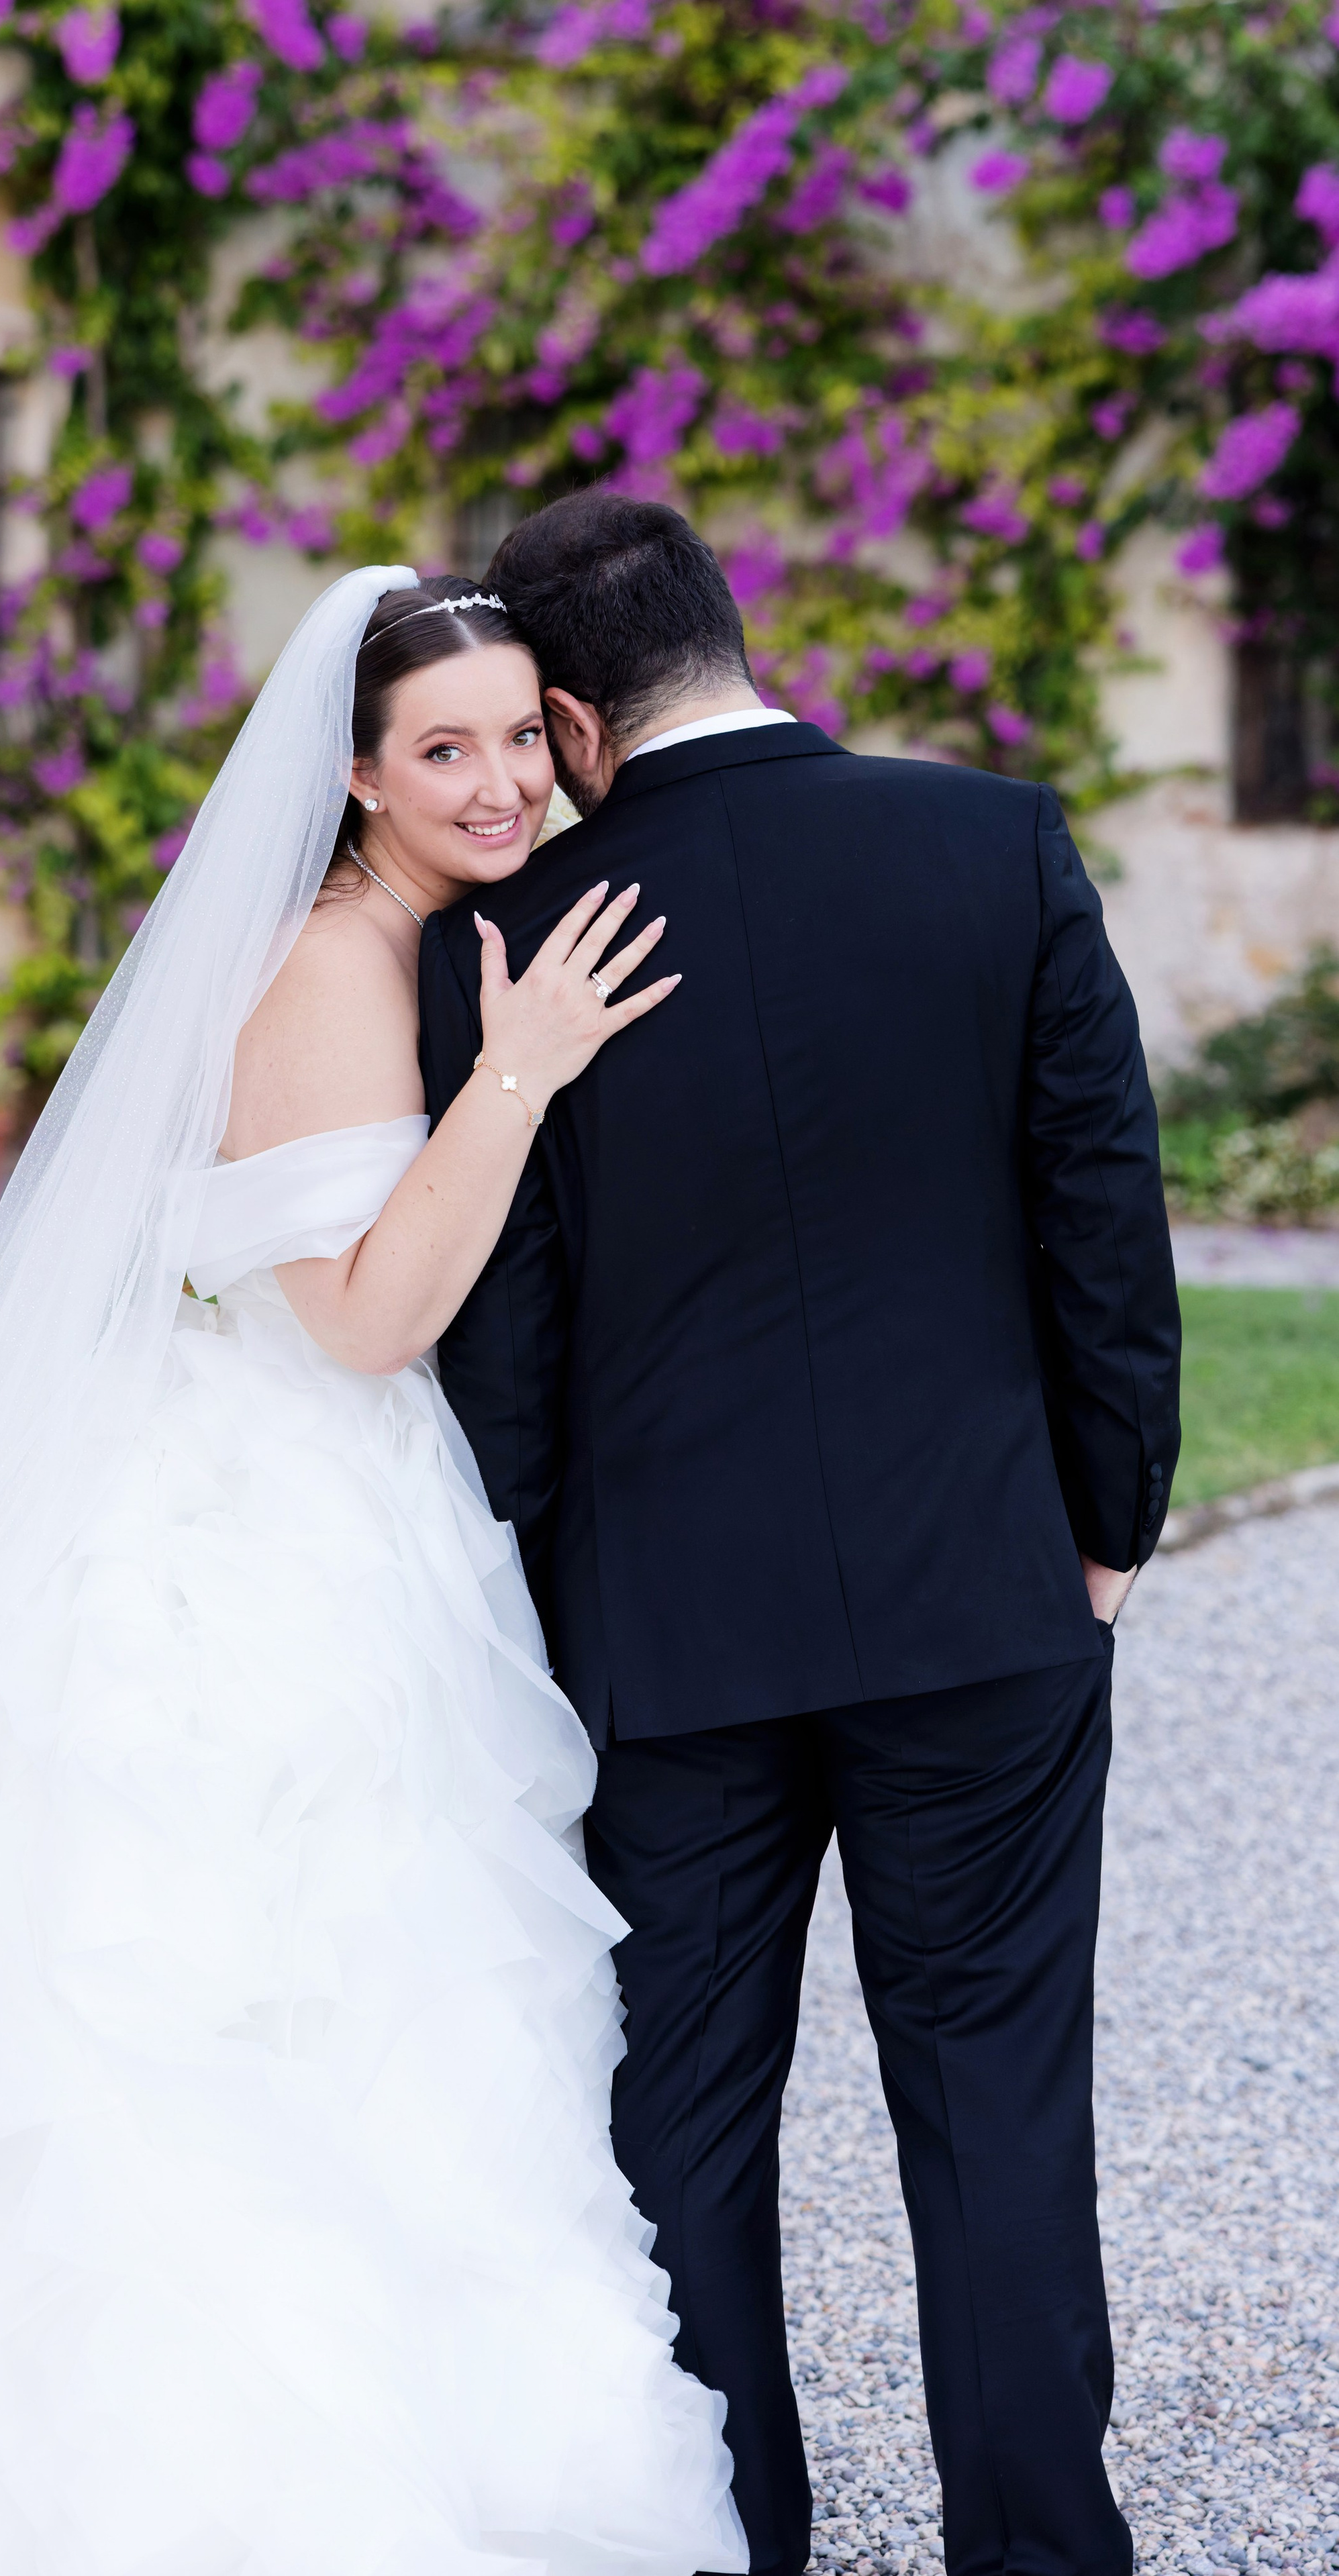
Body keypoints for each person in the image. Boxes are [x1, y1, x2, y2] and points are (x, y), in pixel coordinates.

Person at [0, 569, 748, 2575]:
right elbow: (368, 1316)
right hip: (279, 1539)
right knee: (263, 2015)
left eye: (516, 736)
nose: (499, 786)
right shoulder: (332, 973)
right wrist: (526, 1068)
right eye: (444, 751)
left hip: (304, 1499)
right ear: (356, 773)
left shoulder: (376, 935)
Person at [418, 493, 1182, 2576]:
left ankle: (727, 2548)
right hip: (983, 1600)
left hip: (667, 1641)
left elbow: (513, 1350)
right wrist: (1104, 1527)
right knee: (1000, 2114)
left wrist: (545, 1625)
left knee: (679, 2139)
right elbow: (1102, 1226)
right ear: (729, 635)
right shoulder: (996, 844)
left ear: (566, 715)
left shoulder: (512, 945)